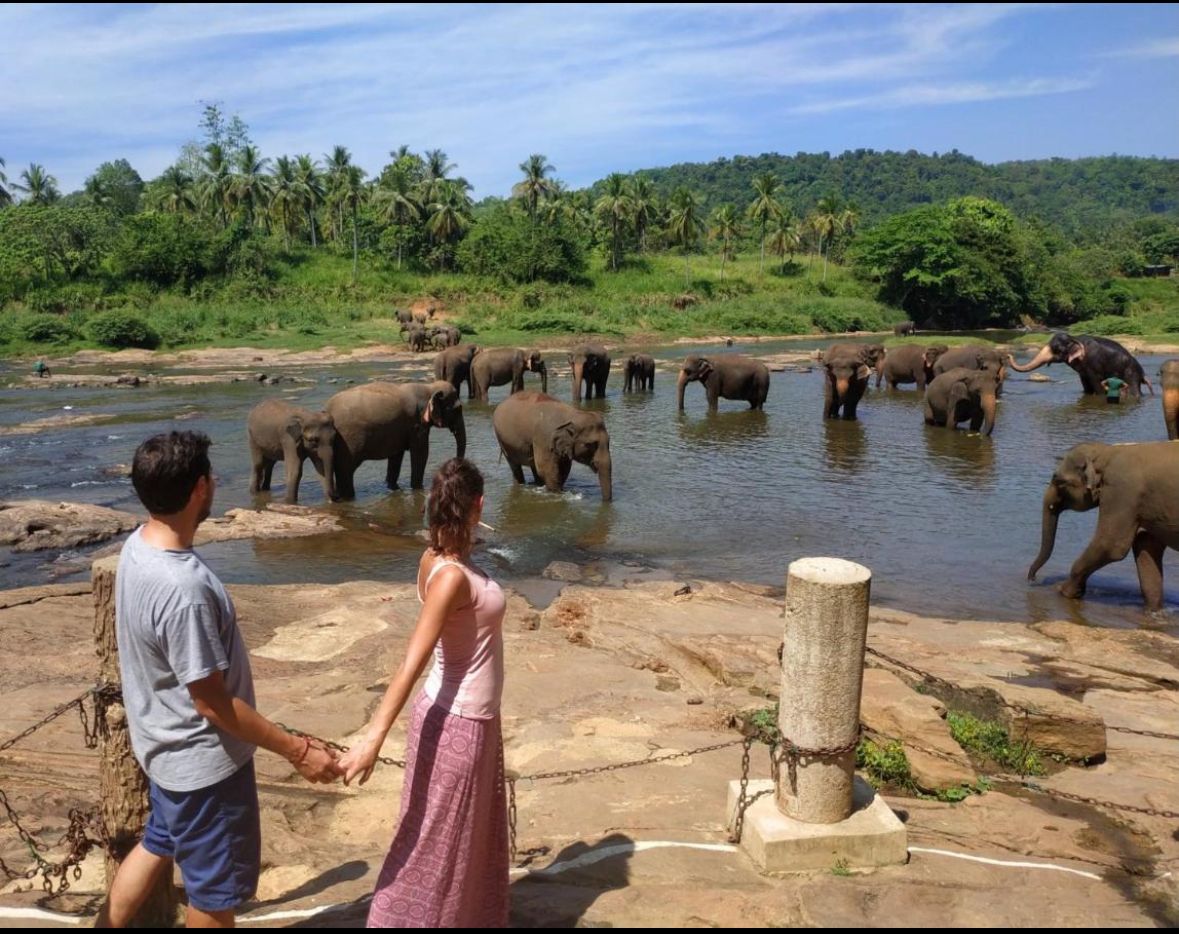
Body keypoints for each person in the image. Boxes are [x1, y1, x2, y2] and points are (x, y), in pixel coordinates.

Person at [96, 431, 341, 929]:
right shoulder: (183, 589)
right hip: (204, 768)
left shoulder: (136, 547)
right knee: (214, 893)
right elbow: (213, 703)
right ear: (200, 491)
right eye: (210, 477)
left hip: (163, 750)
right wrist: (298, 750)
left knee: (158, 841)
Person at [340, 458, 509, 928]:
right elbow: (413, 659)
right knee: (436, 843)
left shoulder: (435, 560)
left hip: (470, 719)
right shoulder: (451, 575)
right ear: (478, 505)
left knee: (464, 840)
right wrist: (373, 738)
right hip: (460, 723)